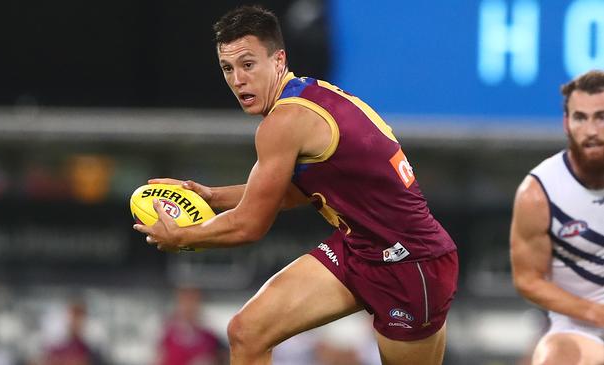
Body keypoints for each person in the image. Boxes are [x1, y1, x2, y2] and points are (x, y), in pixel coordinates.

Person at [134, 5, 458, 364]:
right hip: (359, 247)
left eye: (248, 64)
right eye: (228, 68)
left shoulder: (285, 122)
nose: (237, 79)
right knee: (247, 331)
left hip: (410, 264)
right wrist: (212, 196)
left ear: (278, 59)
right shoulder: (308, 96)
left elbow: (250, 226)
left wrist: (182, 238)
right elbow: (297, 192)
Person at [509, 70, 604, 365]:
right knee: (556, 359)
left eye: (601, 117)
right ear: (566, 123)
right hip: (580, 328)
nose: (591, 130)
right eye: (580, 117)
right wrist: (595, 313)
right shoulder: (540, 193)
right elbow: (528, 279)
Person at [156, 286, 226, 365]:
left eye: (193, 300)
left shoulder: (209, 336)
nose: (189, 306)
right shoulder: (166, 332)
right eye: (185, 301)